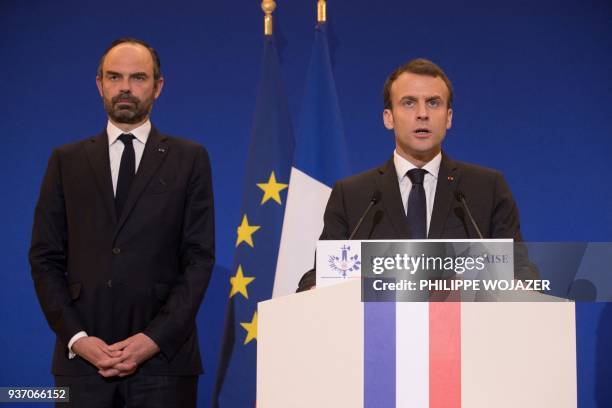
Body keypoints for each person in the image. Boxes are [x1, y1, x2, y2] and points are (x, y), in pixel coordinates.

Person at [29, 37, 214, 407]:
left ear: (158, 87)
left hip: (164, 364)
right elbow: (45, 258)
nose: (125, 87)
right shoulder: (65, 161)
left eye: (138, 78)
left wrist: (153, 339)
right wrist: (77, 338)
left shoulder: (189, 158)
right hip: (82, 367)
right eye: (114, 77)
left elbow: (198, 259)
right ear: (100, 84)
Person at [297, 58, 531, 292]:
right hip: (378, 326)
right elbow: (321, 274)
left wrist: (521, 286)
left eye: (433, 103)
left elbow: (519, 268)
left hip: (466, 325)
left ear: (448, 117)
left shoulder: (486, 188)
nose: (422, 114)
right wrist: (315, 289)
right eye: (409, 103)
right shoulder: (353, 195)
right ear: (388, 118)